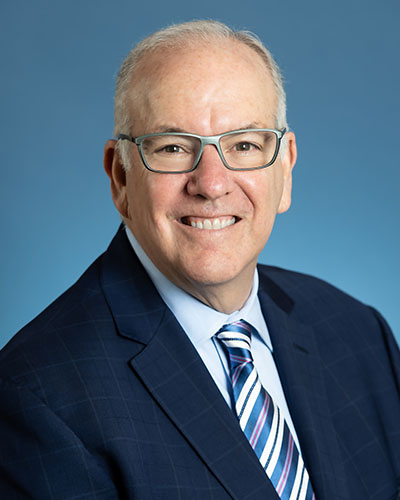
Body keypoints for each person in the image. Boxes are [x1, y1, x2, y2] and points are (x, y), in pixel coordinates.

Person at [0, 20, 399, 500]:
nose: (211, 183)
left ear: (286, 169)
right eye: (172, 148)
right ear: (120, 178)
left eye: (245, 145)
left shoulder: (358, 332)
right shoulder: (38, 397)